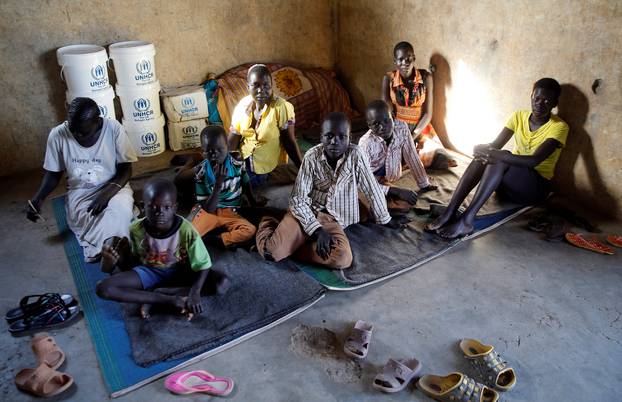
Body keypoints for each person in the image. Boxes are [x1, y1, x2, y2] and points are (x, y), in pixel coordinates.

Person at [256, 112, 409, 269]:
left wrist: (386, 219)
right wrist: (316, 230)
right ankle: (269, 221)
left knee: (342, 258)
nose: (335, 142)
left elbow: (372, 188)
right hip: (307, 213)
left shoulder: (356, 154)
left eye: (342, 137)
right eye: (329, 136)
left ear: (350, 138)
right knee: (272, 252)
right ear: (321, 137)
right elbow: (298, 199)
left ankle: (292, 247)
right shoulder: (311, 157)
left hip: (334, 219)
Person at [427, 78, 569, 239]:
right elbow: (495, 145)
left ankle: (467, 220)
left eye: (546, 100)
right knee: (485, 156)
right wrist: (481, 148)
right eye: (536, 98)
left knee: (502, 157)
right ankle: (450, 211)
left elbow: (534, 160)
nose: (539, 104)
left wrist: (499, 155)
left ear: (554, 103)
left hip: (534, 188)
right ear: (531, 96)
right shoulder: (519, 116)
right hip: (508, 186)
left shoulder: (559, 127)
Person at [25, 97, 137, 263]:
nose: (76, 135)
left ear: (97, 121)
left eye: (82, 132)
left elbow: (126, 169)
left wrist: (107, 194)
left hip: (115, 186)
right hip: (80, 192)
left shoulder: (113, 129)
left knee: (119, 211)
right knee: (90, 217)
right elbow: (53, 173)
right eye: (73, 129)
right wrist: (38, 199)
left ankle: (108, 248)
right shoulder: (58, 135)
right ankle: (111, 246)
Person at [96, 178, 217, 320]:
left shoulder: (186, 230)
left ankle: (159, 293)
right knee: (103, 288)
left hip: (180, 272)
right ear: (143, 206)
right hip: (150, 272)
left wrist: (195, 292)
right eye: (153, 207)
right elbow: (129, 265)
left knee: (221, 284)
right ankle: (168, 300)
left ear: (175, 207)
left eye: (167, 207)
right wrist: (113, 260)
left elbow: (204, 265)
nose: (160, 212)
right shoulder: (135, 229)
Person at [176, 125, 264, 249]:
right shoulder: (201, 172)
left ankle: (214, 240)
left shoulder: (237, 162)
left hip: (230, 213)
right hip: (207, 211)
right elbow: (208, 209)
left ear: (228, 147)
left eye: (219, 149)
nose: (214, 154)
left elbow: (245, 181)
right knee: (185, 236)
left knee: (250, 230)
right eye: (209, 151)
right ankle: (191, 161)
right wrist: (218, 184)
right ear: (203, 151)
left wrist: (252, 200)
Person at [382, 41, 456, 169]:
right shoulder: (388, 78)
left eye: (408, 58)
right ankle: (403, 156)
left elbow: (428, 114)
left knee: (439, 158)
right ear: (395, 61)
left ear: (414, 58)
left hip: (420, 128)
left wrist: (411, 137)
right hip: (396, 127)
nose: (405, 62)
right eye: (400, 59)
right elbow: (385, 111)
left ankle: (409, 155)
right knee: (382, 152)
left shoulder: (426, 77)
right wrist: (396, 134)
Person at [228, 64, 303, 187]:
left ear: (271, 87)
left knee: (234, 188)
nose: (260, 90)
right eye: (255, 85)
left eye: (266, 85)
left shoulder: (280, 107)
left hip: (265, 168)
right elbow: (233, 140)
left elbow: (289, 141)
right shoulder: (243, 106)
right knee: (210, 176)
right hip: (242, 164)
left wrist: (302, 169)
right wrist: (223, 164)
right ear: (248, 87)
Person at [358, 100, 437, 213]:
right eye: (376, 124)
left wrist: (424, 184)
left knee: (407, 204)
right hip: (370, 180)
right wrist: (395, 191)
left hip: (389, 177)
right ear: (369, 125)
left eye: (386, 121)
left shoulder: (402, 128)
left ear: (393, 117)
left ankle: (385, 200)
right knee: (371, 205)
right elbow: (362, 182)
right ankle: (378, 206)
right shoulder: (365, 144)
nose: (382, 127)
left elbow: (411, 155)